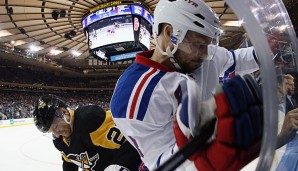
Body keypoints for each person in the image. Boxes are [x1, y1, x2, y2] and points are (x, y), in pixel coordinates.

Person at [110, 0, 265, 170]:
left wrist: (269, 51)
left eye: (207, 45)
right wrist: (207, 158)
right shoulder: (134, 96)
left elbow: (235, 60)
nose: (206, 54)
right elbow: (160, 161)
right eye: (199, 44)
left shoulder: (201, 55)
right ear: (169, 33)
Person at [32, 94, 143, 171]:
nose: (58, 132)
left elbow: (133, 140)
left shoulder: (88, 120)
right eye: (52, 131)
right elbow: (69, 161)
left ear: (63, 111)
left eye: (56, 126)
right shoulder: (59, 141)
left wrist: (120, 164)